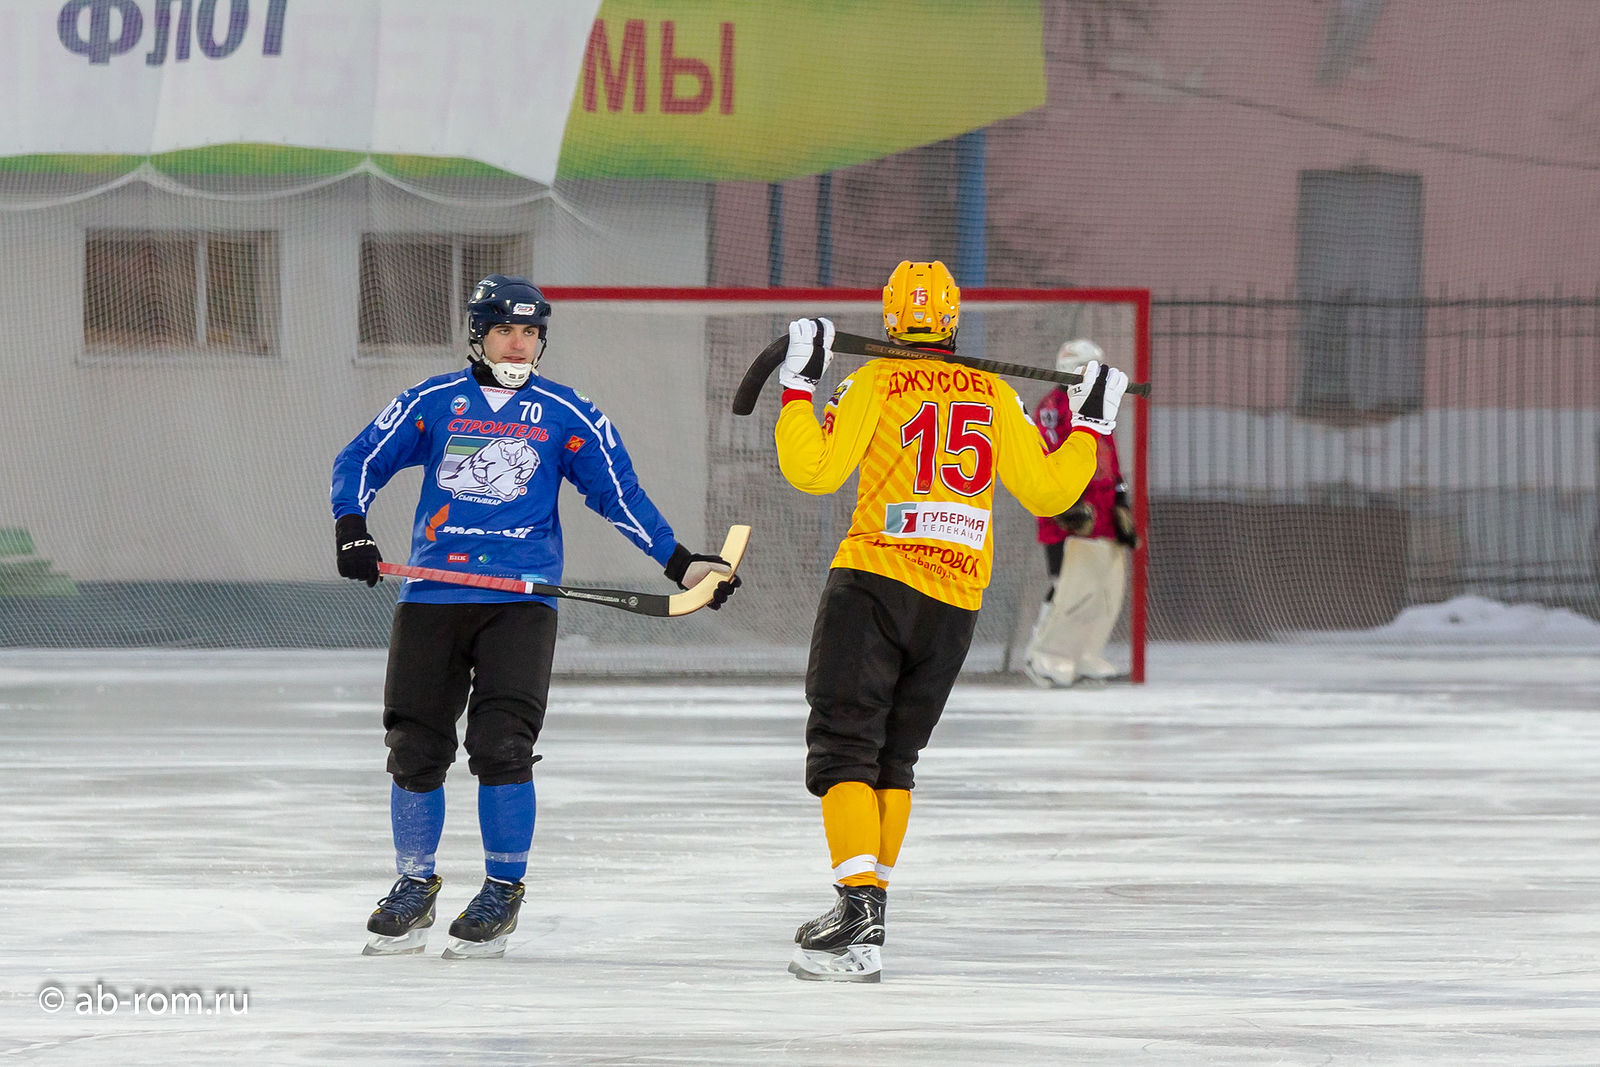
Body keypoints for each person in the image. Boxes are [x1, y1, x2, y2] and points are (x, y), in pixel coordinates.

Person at [331, 275, 740, 959]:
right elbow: (360, 459)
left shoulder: (566, 412)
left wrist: (679, 563)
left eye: (529, 332)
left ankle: (502, 889)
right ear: (478, 336)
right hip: (432, 597)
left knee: (502, 746)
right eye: (504, 330)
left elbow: (617, 493)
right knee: (415, 747)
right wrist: (352, 527)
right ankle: (414, 882)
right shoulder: (433, 401)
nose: (518, 343)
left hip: (520, 605)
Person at [771, 260, 1129, 981]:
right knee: (895, 758)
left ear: (892, 317)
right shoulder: (996, 392)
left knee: (845, 751)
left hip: (875, 583)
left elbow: (814, 471)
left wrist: (798, 388)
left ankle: (857, 905)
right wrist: (1090, 425)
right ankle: (868, 915)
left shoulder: (874, 381)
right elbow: (1050, 491)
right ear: (953, 320)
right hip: (955, 599)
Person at [1021, 339, 1140, 687]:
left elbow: (1108, 454)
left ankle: (1082, 653)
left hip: (1102, 510)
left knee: (1102, 587)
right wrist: (1067, 506)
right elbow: (1046, 454)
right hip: (1071, 513)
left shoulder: (1097, 404)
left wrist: (1120, 498)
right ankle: (1044, 655)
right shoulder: (1054, 407)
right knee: (1069, 585)